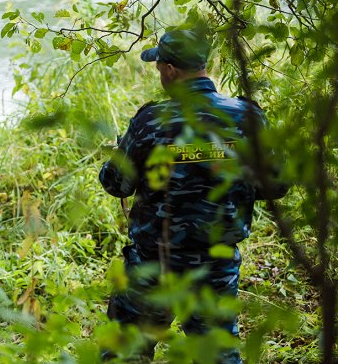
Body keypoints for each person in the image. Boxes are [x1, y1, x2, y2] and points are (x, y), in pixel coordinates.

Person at [98, 29, 288, 363]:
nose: (160, 74)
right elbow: (278, 185)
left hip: (153, 266)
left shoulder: (150, 121)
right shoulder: (246, 117)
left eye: (159, 68)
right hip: (214, 266)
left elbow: (117, 185)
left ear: (170, 70)